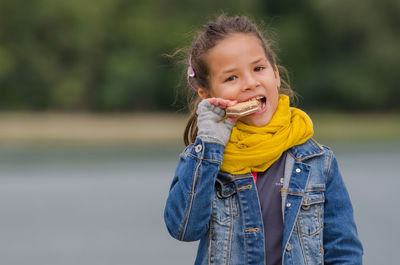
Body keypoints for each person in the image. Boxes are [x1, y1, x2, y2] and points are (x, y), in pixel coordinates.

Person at [164, 14, 363, 265]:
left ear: (276, 75)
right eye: (231, 78)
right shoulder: (204, 160)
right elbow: (183, 229)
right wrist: (211, 145)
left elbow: (343, 251)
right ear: (208, 95)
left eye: (258, 68)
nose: (250, 83)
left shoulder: (319, 163)